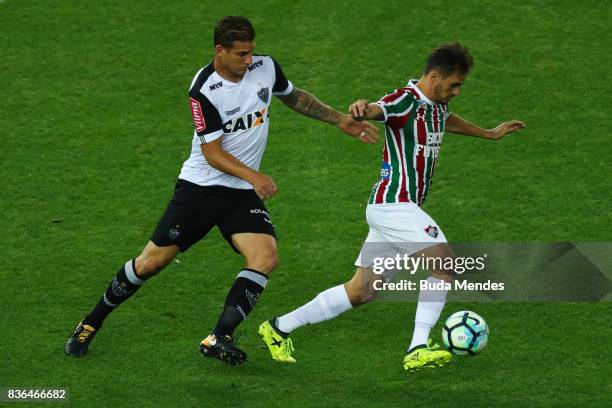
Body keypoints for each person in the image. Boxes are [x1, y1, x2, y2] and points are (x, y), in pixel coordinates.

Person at [64, 15, 378, 366]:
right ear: (220, 51)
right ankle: (90, 322)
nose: (249, 61)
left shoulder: (266, 68)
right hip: (200, 190)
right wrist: (255, 176)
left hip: (240, 192)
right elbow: (212, 153)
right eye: (242, 54)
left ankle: (220, 336)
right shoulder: (203, 89)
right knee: (150, 263)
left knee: (265, 256)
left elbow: (294, 98)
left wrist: (339, 120)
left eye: (252, 53)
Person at [259, 42, 525, 371]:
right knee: (444, 264)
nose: (456, 91)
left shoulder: (436, 104)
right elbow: (377, 109)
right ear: (434, 76)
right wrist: (361, 108)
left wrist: (488, 134)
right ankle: (417, 347)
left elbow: (445, 120)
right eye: (454, 84)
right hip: (394, 204)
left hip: (394, 211)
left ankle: (278, 327)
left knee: (361, 291)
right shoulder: (405, 99)